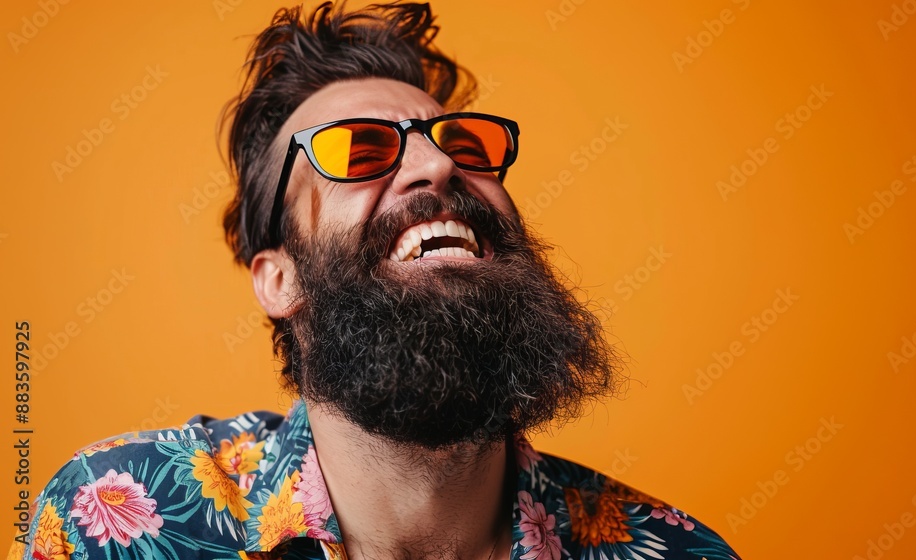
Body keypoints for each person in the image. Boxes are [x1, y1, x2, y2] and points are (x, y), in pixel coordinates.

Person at [9, 3, 741, 559]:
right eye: (359, 150)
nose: (436, 166)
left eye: (463, 143)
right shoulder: (111, 524)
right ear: (279, 280)